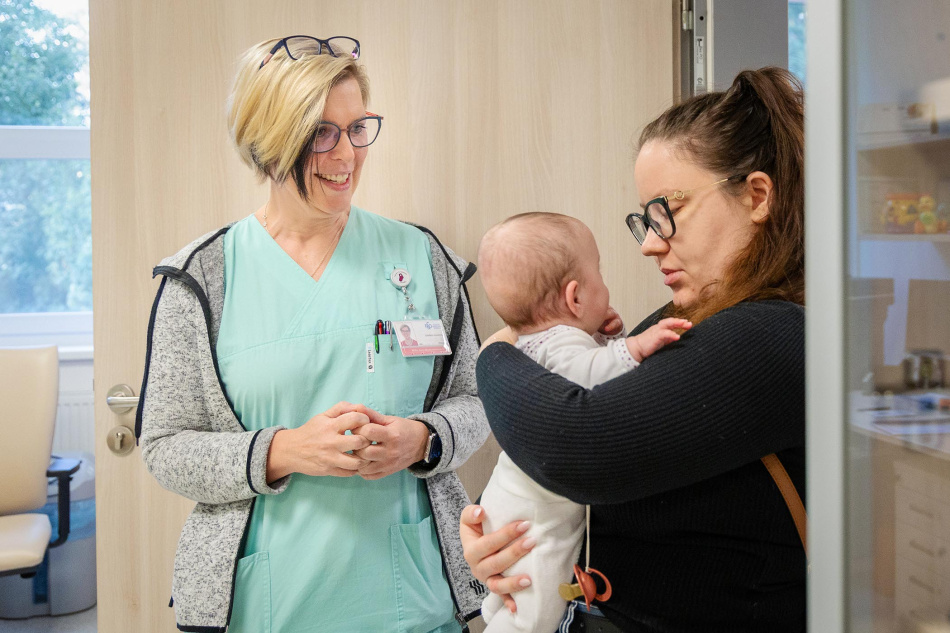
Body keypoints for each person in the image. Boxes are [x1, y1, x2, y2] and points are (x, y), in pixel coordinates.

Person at [135, 36, 489, 633]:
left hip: (413, 600)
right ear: (269, 140)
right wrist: (284, 451)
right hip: (267, 605)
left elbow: (476, 399)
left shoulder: (422, 258)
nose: (347, 154)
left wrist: (423, 438)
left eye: (358, 129)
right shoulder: (203, 279)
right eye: (321, 132)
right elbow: (165, 447)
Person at [462, 67, 806, 633]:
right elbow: (547, 439)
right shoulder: (692, 316)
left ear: (756, 196)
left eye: (668, 211)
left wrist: (500, 348)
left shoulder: (773, 333)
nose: (649, 243)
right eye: (645, 220)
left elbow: (576, 445)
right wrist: (498, 531)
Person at [475, 212, 690, 633]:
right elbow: (585, 379)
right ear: (574, 298)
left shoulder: (531, 341)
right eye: (599, 273)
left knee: (516, 587)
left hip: (514, 494)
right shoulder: (562, 341)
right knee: (536, 603)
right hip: (536, 509)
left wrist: (606, 338)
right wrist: (631, 348)